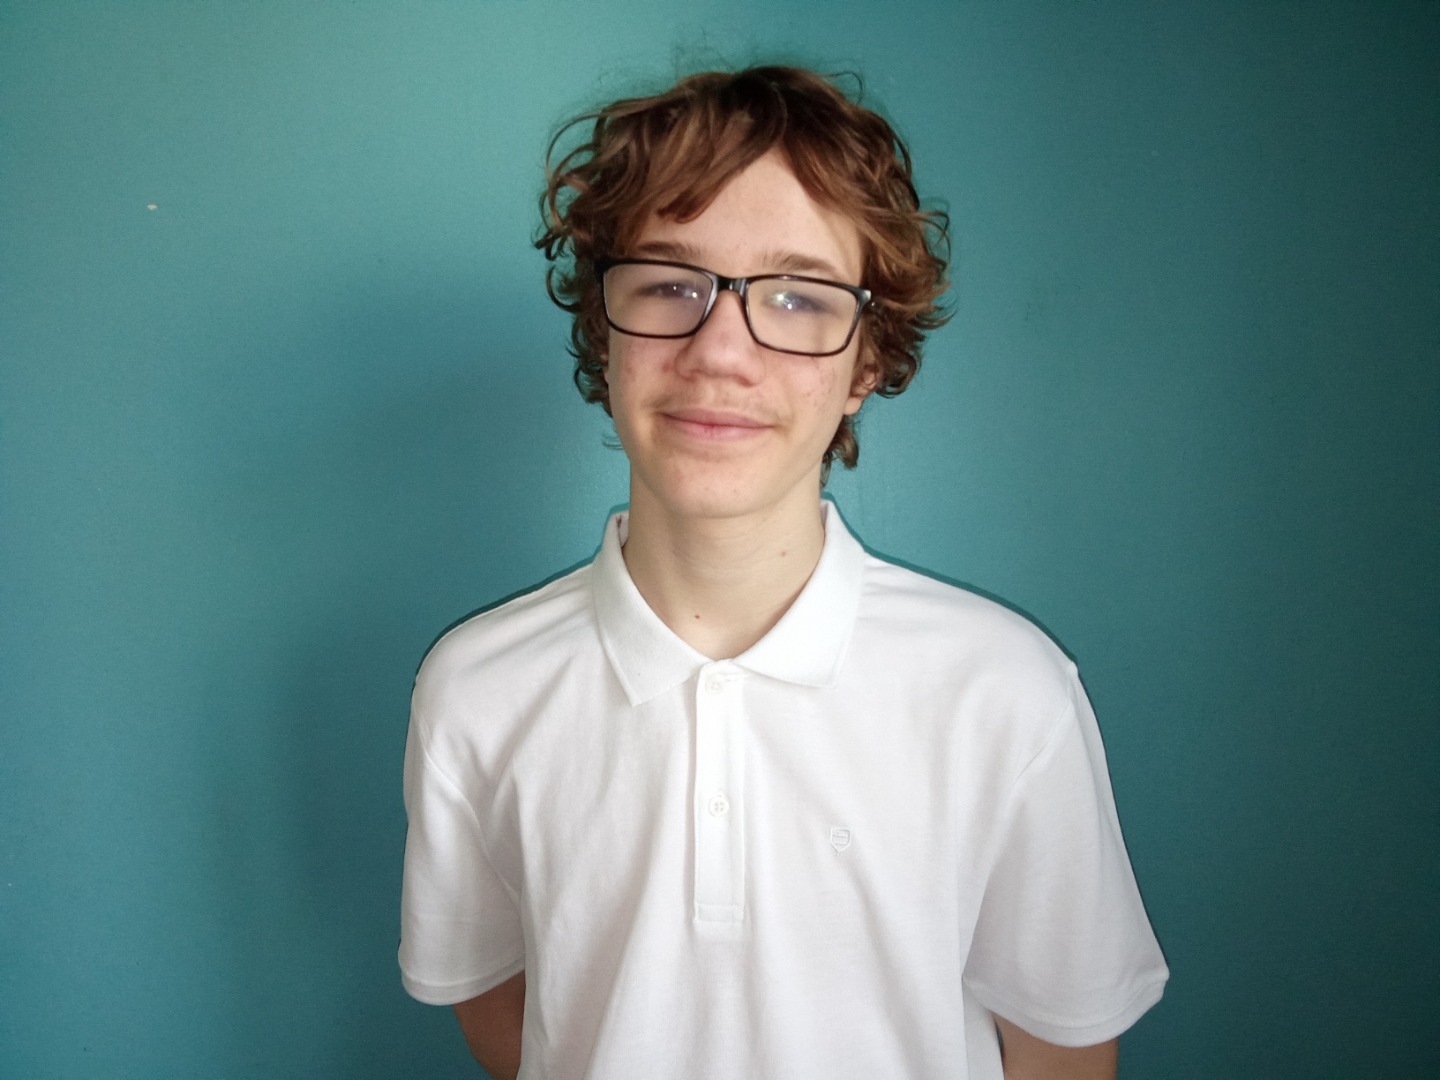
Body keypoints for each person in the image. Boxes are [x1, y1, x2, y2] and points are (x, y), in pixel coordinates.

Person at [399, 66, 1167, 1080]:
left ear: (865, 363)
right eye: (669, 284)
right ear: (605, 328)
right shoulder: (476, 688)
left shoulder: (1004, 693)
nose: (720, 350)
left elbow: (1064, 1052)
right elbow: (500, 1008)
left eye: (799, 297)